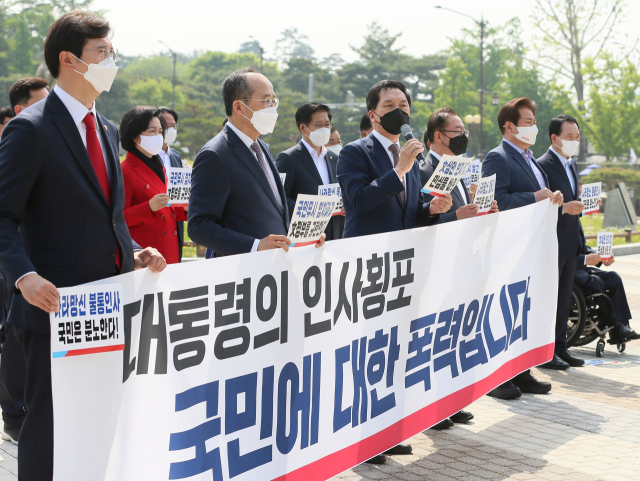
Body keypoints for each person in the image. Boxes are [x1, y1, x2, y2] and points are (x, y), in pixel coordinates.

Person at [0, 12, 166, 480]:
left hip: (107, 306)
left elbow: (102, 214)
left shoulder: (108, 128)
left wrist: (130, 250)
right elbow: (3, 217)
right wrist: (24, 275)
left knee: (99, 425)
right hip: (54, 308)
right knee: (49, 431)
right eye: (102, 53)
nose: (111, 61)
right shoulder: (30, 129)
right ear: (69, 60)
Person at [337, 79, 452, 464]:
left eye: (403, 103)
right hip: (369, 265)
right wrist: (399, 168)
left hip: (404, 266)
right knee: (368, 351)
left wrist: (431, 211)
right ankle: (362, 440)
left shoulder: (413, 155)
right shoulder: (355, 152)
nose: (398, 109)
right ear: (374, 114)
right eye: (389, 104)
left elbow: (409, 212)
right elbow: (359, 202)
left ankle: (387, 429)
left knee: (396, 349)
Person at [188, 67, 325, 256]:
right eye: (265, 101)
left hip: (272, 270)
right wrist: (255, 246)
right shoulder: (216, 154)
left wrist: (307, 236)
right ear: (238, 107)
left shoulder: (262, 147)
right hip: (241, 272)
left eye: (273, 101)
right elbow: (199, 226)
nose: (272, 108)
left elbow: (274, 209)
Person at [481, 97, 564, 400]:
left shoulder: (529, 158)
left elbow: (537, 195)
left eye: (533, 121)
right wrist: (534, 197)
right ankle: (498, 378)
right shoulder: (497, 157)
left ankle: (523, 371)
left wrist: (550, 198)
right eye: (527, 122)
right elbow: (496, 200)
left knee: (525, 312)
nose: (533, 127)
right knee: (505, 313)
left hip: (532, 249)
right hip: (508, 249)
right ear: (509, 126)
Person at [0, 77, 51, 447]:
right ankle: (13, 413)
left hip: (30, 263)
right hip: (15, 263)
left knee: (15, 336)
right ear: (22, 109)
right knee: (13, 337)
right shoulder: (21, 140)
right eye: (42, 102)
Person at [537, 115, 591, 368]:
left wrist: (580, 208)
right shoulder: (542, 166)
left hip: (570, 242)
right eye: (569, 137)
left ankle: (561, 346)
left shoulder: (572, 164)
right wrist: (565, 209)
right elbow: (541, 207)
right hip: (551, 241)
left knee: (564, 297)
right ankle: (544, 352)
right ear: (555, 139)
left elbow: (570, 201)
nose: (574, 141)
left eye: (577, 137)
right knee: (548, 298)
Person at [120, 106, 188, 265]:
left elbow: (166, 205)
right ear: (135, 137)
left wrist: (183, 208)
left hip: (169, 248)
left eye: (159, 132)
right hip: (146, 254)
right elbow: (118, 218)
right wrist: (148, 207)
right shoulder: (125, 170)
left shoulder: (159, 166)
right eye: (152, 131)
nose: (158, 136)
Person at [276, 103, 344, 241]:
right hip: (305, 238)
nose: (324, 129)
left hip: (335, 236)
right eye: (318, 125)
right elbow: (278, 198)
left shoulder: (335, 158)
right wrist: (309, 211)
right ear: (303, 128)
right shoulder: (289, 158)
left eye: (327, 124)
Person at [420, 107, 498, 223]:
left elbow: (462, 209)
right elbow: (421, 220)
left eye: (464, 131)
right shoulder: (424, 172)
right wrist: (456, 216)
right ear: (439, 137)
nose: (463, 136)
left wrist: (481, 211)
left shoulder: (454, 167)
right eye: (458, 131)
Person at [576, 237, 638, 342]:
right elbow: (560, 255)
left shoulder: (575, 222)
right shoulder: (560, 225)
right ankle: (614, 325)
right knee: (595, 281)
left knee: (614, 277)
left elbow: (583, 247)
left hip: (582, 270)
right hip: (568, 272)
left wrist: (599, 257)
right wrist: (585, 259)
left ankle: (623, 324)